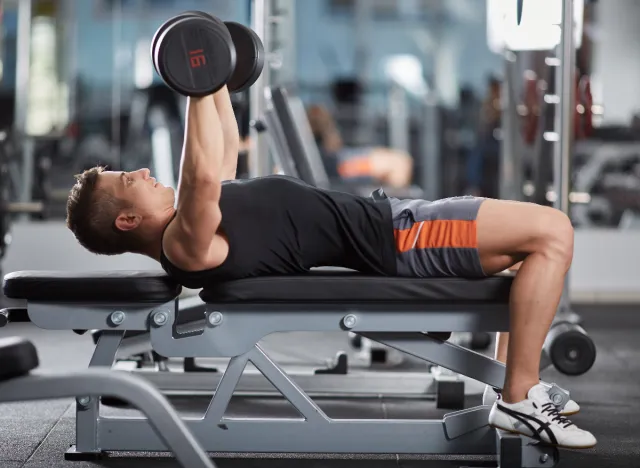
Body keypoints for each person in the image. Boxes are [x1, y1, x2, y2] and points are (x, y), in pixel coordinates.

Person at [66, 85, 596, 450]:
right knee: (552, 232)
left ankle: (513, 388)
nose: (139, 170)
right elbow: (201, 174)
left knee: (532, 251)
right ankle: (520, 398)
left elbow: (220, 148)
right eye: (127, 179)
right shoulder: (185, 244)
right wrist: (193, 82)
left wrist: (214, 77)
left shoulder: (195, 220)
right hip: (401, 237)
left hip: (399, 224)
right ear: (129, 219)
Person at [306, 104, 414, 188]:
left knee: (400, 162)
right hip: (341, 166)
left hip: (340, 160)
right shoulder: (331, 160)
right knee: (399, 163)